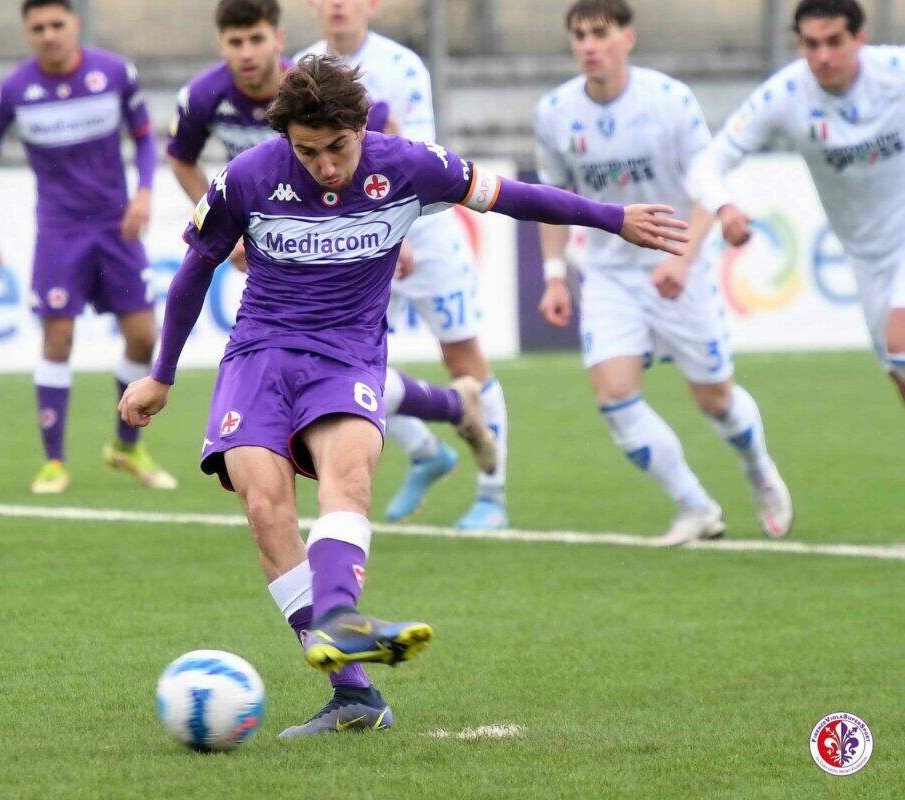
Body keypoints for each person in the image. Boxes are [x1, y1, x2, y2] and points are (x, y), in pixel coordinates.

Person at [121, 56, 688, 736]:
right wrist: (162, 374)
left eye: (339, 147)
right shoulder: (248, 177)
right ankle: (356, 695)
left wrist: (612, 217)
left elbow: (513, 196)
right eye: (309, 152)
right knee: (266, 506)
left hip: (350, 352)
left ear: (363, 126)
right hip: (260, 353)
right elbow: (194, 270)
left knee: (349, 473)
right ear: (286, 142)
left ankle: (338, 616)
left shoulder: (413, 166)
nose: (327, 165)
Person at [167, 0, 493, 468]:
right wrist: (230, 231)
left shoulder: (308, 90)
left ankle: (449, 429)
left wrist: (389, 223)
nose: (247, 53)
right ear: (221, 45)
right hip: (281, 240)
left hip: (348, 232)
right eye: (235, 42)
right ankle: (437, 431)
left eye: (256, 39)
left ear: (278, 40)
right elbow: (180, 157)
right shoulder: (203, 97)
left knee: (336, 356)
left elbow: (387, 136)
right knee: (320, 357)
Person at [534, 0, 794, 544]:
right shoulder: (556, 111)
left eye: (600, 33)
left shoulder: (670, 100)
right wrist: (555, 274)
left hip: (680, 264)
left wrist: (684, 255)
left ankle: (758, 466)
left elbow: (706, 179)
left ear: (628, 38)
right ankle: (696, 506)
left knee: (715, 400)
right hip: (608, 273)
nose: (588, 45)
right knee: (613, 396)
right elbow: (552, 200)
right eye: (579, 35)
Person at [297, 0, 511, 530]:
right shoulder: (301, 67)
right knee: (343, 362)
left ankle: (492, 495)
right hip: (354, 238)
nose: (337, 6)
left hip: (425, 232)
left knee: (462, 356)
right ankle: (426, 453)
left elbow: (416, 155)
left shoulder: (404, 65)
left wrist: (400, 232)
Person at [0, 0, 176, 494]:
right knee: (58, 340)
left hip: (116, 227)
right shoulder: (15, 90)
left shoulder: (113, 73)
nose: (48, 35)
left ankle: (125, 447)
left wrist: (144, 192)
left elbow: (146, 140)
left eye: (56, 25)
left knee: (145, 338)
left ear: (75, 25)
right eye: (37, 27)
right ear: (27, 32)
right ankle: (55, 462)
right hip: (60, 233)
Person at [690, 0, 905, 409]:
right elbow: (706, 165)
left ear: (860, 38)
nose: (822, 57)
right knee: (899, 374)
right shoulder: (786, 94)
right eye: (811, 44)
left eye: (834, 42)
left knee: (902, 346)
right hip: (866, 256)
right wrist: (724, 207)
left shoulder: (895, 71)